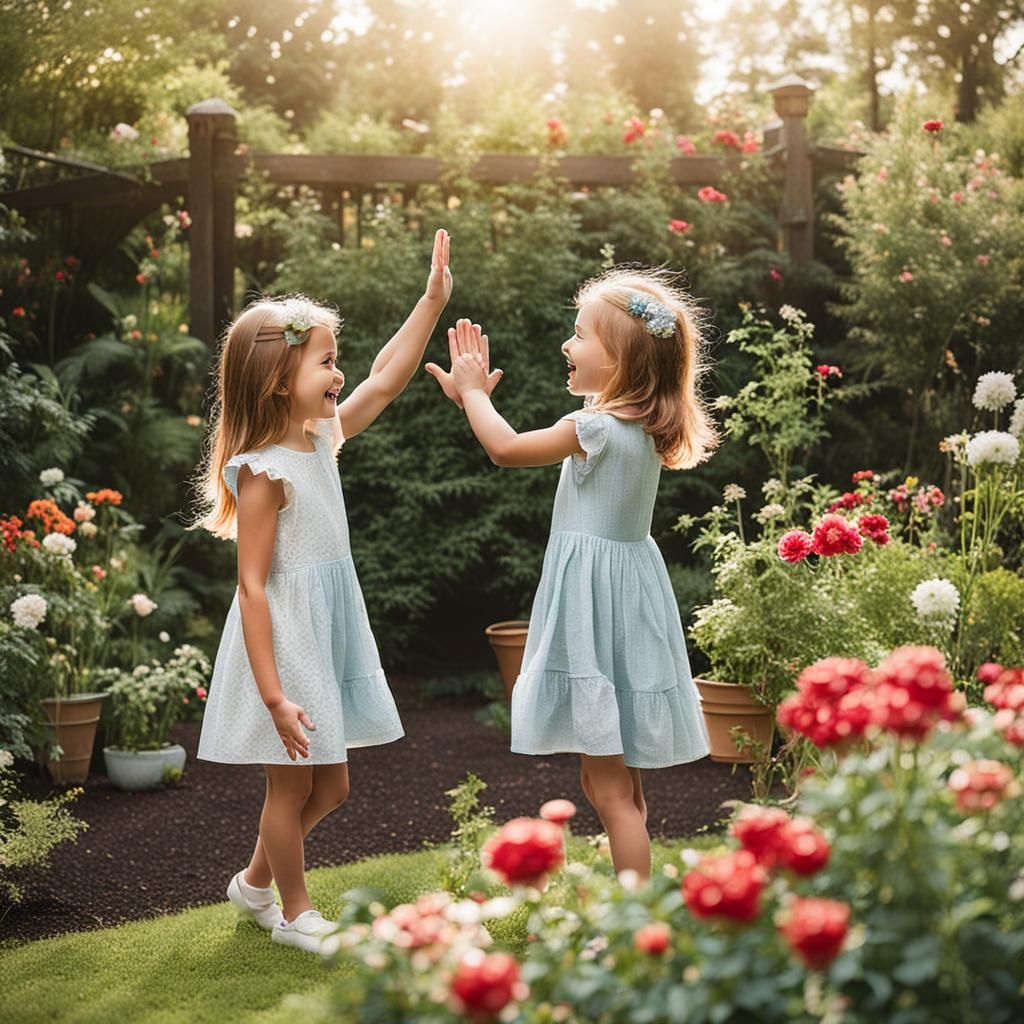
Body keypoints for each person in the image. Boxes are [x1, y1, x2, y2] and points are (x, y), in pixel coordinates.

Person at [192, 229, 452, 952]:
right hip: (286, 637)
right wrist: (273, 695)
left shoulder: (318, 439)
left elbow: (386, 380)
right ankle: (296, 915)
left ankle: (252, 884)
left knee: (331, 787)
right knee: (291, 789)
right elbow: (250, 588)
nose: (339, 373)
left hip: (329, 627)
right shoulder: (263, 472)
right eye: (325, 360)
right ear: (279, 379)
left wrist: (430, 302)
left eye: (336, 359)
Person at [425, 266, 718, 881]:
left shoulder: (595, 429)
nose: (567, 344)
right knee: (618, 787)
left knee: (609, 792)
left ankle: (633, 919)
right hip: (628, 607)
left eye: (581, 335)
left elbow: (505, 449)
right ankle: (634, 901)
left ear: (621, 360)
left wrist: (475, 394)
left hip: (593, 611)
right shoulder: (640, 428)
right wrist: (470, 398)